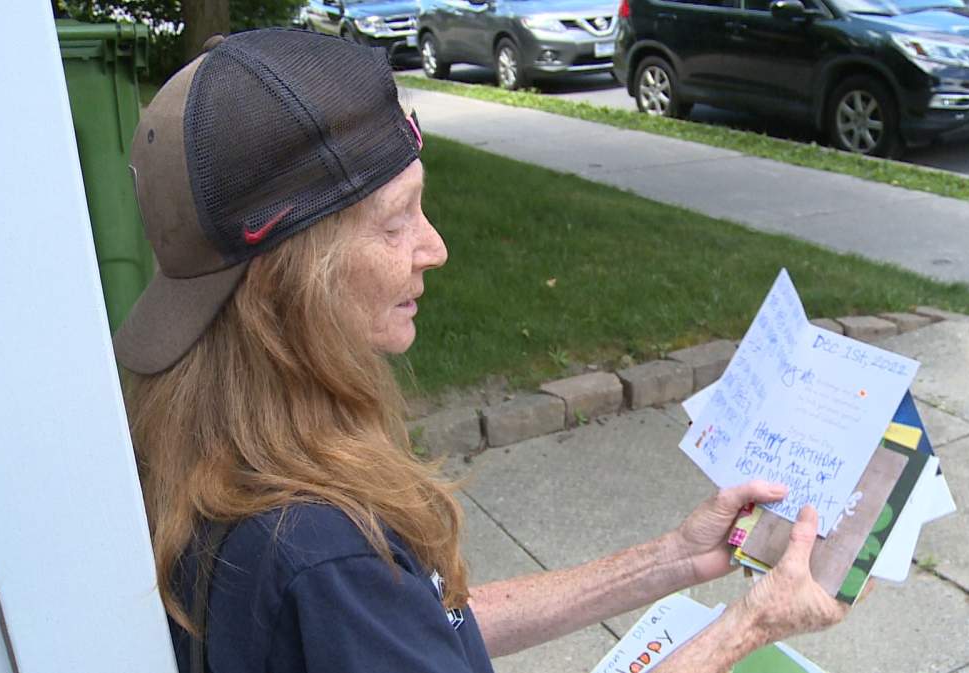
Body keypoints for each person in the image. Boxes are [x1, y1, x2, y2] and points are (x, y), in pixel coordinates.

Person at [115, 28, 849, 673]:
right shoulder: (322, 551)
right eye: (395, 222)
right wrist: (750, 624)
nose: (435, 246)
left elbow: (424, 625)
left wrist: (673, 558)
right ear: (290, 279)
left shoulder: (209, 451)